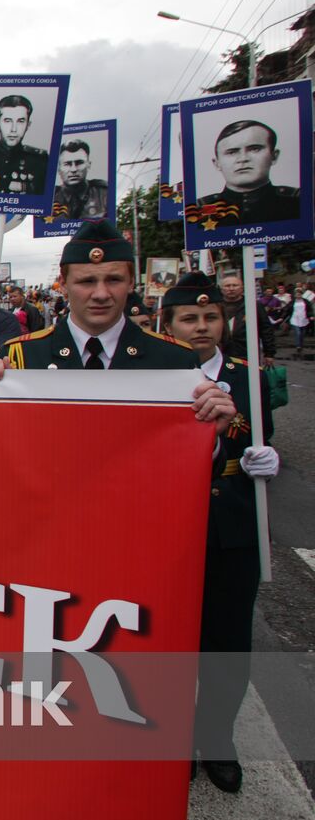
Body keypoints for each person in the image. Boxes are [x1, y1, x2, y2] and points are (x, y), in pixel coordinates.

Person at [159, 272, 278, 793]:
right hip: (171, 530)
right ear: (169, 325)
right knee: (169, 647)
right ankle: (176, 739)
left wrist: (263, 460)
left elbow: (263, 434)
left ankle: (218, 740)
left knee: (227, 646)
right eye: (189, 318)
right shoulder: (155, 374)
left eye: (211, 317)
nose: (201, 326)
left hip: (232, 528)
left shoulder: (247, 376)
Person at [5, 219, 239, 428]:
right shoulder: (20, 358)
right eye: (87, 281)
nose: (101, 293)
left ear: (131, 283)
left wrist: (210, 438)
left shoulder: (176, 359)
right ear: (63, 285)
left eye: (114, 280)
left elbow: (188, 461)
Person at [196, 120, 300, 225]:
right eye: (232, 152)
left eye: (254, 149)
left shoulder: (299, 201)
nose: (243, 159)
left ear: (274, 156)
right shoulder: (199, 210)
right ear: (217, 163)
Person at [218, 269, 273, 362]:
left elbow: (266, 329)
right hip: (221, 354)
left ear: (242, 288)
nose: (231, 288)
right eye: (227, 286)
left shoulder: (253, 305)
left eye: (235, 285)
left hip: (248, 354)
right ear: (221, 289)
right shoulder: (216, 306)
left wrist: (269, 353)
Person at [52, 139, 109, 219]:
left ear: (88, 165)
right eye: (67, 164)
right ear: (58, 169)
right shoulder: (50, 198)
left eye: (79, 163)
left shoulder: (104, 193)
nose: (73, 169)